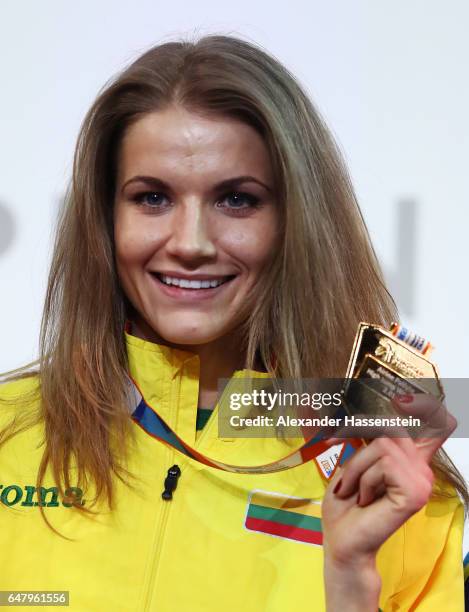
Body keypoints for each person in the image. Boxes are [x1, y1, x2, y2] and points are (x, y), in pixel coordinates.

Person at [0, 34, 466, 612]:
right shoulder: (7, 437)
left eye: (237, 200)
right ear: (104, 218)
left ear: (296, 222)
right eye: (151, 198)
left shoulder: (392, 486)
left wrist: (349, 581)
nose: (190, 244)